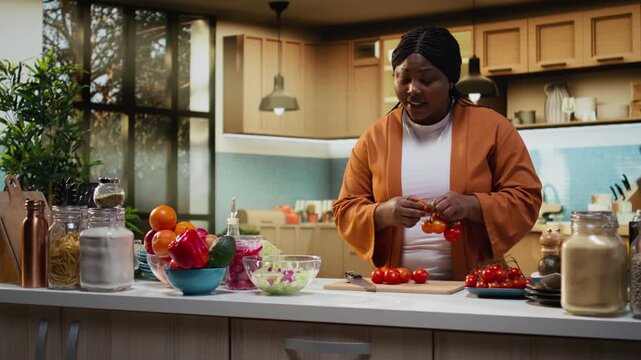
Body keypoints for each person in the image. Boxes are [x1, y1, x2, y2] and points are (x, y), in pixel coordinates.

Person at [333, 27, 542, 281]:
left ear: (450, 80)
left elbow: (526, 197)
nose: (413, 89)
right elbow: (345, 210)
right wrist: (384, 213)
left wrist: (471, 205)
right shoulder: (374, 138)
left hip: (474, 286)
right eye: (404, 78)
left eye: (426, 79)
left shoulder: (493, 128)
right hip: (397, 285)